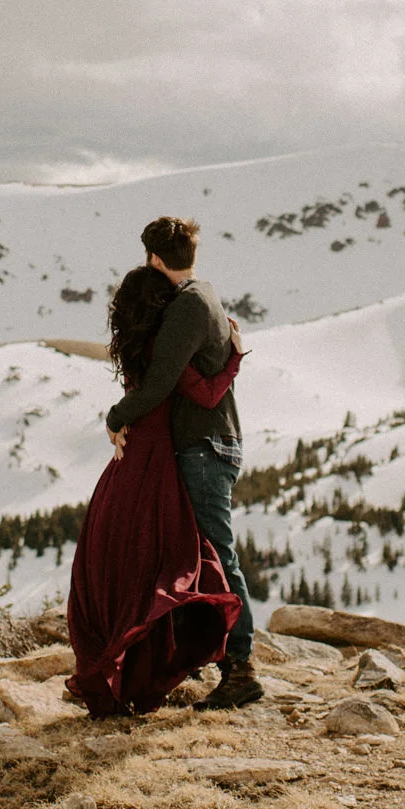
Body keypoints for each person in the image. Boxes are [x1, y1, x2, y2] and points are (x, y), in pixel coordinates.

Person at [100, 216, 265, 710]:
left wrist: (116, 416)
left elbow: (160, 382)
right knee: (195, 557)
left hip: (204, 446)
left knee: (217, 555)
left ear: (154, 259)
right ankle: (196, 659)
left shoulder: (187, 307)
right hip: (210, 443)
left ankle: (241, 669)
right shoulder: (203, 295)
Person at [65, 264, 243, 715]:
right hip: (157, 458)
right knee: (178, 558)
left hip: (128, 459)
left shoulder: (132, 346)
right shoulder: (165, 355)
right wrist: (235, 357)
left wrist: (117, 419)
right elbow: (206, 394)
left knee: (130, 561)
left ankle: (134, 665)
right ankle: (213, 662)